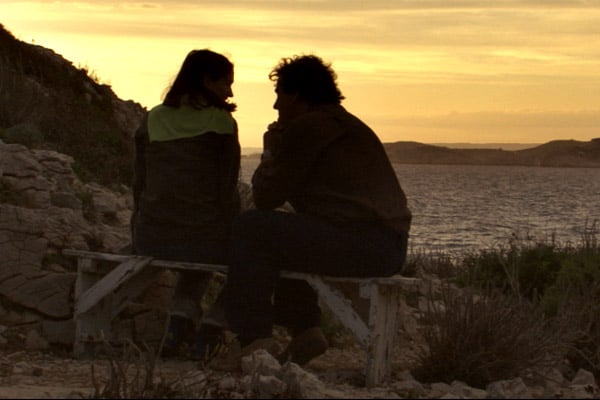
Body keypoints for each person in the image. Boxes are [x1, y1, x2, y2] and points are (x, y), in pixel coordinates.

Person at [212, 54, 412, 370]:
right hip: (388, 246)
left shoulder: (309, 127)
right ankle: (305, 331)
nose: (276, 106)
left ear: (296, 95)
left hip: (362, 243)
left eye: (279, 96)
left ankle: (252, 339)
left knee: (251, 228)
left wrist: (270, 148)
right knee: (286, 235)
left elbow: (265, 197)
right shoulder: (346, 124)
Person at [131, 49, 240, 360]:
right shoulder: (221, 124)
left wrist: (138, 230)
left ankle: (180, 320)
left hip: (151, 235)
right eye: (226, 83)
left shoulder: (152, 119)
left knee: (196, 234)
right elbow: (226, 191)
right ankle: (212, 324)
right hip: (202, 237)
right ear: (207, 81)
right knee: (252, 257)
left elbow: (139, 183)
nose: (230, 92)